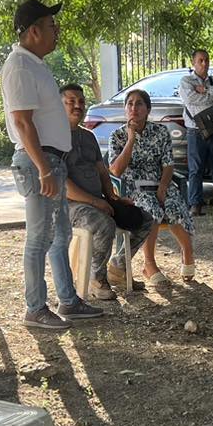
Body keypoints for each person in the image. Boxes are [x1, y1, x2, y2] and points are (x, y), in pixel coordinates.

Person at [1, 0, 103, 329]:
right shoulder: (19, 66)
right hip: (38, 163)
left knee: (60, 235)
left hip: (52, 161)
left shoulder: (34, 64)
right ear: (33, 31)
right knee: (38, 238)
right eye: (51, 26)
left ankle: (69, 301)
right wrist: (43, 167)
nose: (56, 31)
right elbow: (23, 123)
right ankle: (35, 307)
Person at [59, 83, 153, 301]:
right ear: (59, 105)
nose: (77, 106)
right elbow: (63, 184)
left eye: (81, 102)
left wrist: (113, 198)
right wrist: (95, 202)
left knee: (144, 219)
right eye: (70, 101)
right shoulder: (55, 139)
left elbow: (102, 171)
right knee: (105, 224)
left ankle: (117, 268)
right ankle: (96, 278)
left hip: (96, 201)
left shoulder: (88, 136)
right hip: (69, 205)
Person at [108, 88, 196, 287]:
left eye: (139, 104)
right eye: (130, 104)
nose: (134, 108)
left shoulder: (160, 132)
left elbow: (168, 163)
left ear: (147, 109)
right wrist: (131, 140)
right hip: (133, 189)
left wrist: (163, 188)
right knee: (152, 209)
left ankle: (187, 251)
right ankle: (149, 264)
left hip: (159, 183)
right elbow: (115, 171)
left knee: (174, 206)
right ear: (125, 109)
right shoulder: (118, 136)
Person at [179, 49, 213, 214]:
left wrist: (206, 91)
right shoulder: (186, 81)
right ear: (193, 62)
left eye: (206, 60)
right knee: (195, 169)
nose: (204, 63)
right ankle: (195, 204)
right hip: (195, 130)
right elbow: (191, 99)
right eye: (200, 60)